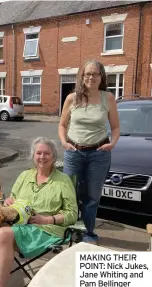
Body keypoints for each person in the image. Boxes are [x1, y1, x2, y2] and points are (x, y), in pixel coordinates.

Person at [0, 137, 78, 287]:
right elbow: (12, 197)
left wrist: (47, 219)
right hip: (19, 223)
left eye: (46, 153)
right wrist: (8, 201)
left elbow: (72, 214)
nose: (42, 157)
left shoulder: (63, 181)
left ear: (53, 156)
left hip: (46, 229)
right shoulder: (25, 175)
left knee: (3, 234)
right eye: (38, 153)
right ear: (33, 156)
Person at [58, 60, 120, 244]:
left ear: (101, 77)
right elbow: (62, 125)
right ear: (82, 76)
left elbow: (116, 128)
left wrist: (112, 144)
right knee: (70, 194)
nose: (91, 77)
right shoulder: (72, 98)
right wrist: (64, 142)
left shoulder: (107, 98)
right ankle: (70, 230)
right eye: (87, 74)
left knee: (92, 196)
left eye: (95, 74)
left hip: (99, 154)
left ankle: (88, 233)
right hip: (74, 152)